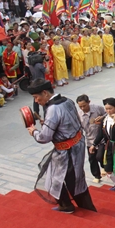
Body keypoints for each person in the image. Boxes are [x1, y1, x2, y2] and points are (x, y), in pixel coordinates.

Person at [26, 79, 96, 213]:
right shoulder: (67, 100)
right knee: (75, 178)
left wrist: (34, 132)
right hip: (77, 144)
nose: (36, 101)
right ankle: (76, 206)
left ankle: (70, 206)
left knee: (62, 179)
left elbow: (44, 137)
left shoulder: (52, 109)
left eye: (36, 97)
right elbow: (68, 122)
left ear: (45, 93)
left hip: (66, 151)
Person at [77, 94, 106, 183]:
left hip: (101, 138)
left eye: (84, 106)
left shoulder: (98, 108)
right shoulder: (79, 114)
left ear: (89, 102)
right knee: (92, 159)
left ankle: (104, 167)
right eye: (80, 106)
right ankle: (97, 176)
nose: (82, 108)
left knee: (100, 156)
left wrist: (102, 118)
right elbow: (78, 127)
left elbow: (108, 113)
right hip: (89, 140)